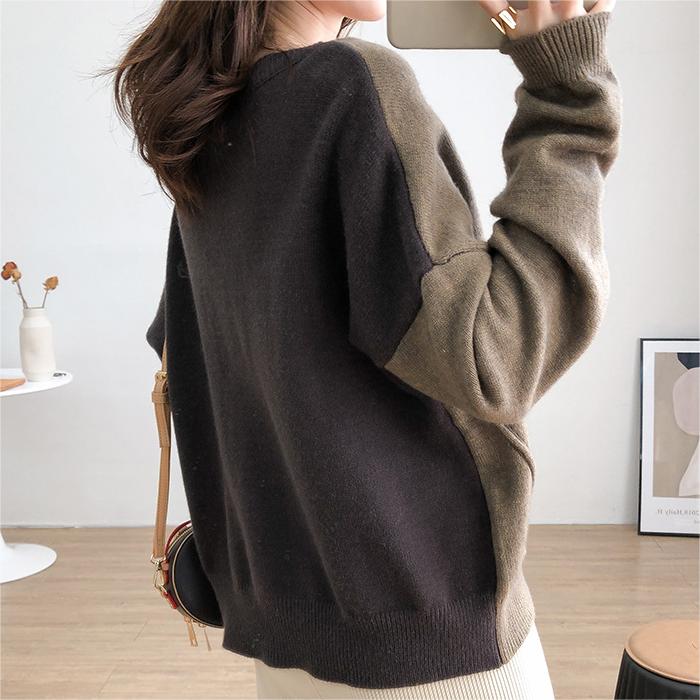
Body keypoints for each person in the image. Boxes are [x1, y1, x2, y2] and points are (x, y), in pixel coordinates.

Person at [110, 0, 621, 697]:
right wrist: (567, 97)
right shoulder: (346, 86)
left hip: (287, 642)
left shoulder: (210, 116)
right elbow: (495, 355)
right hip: (430, 648)